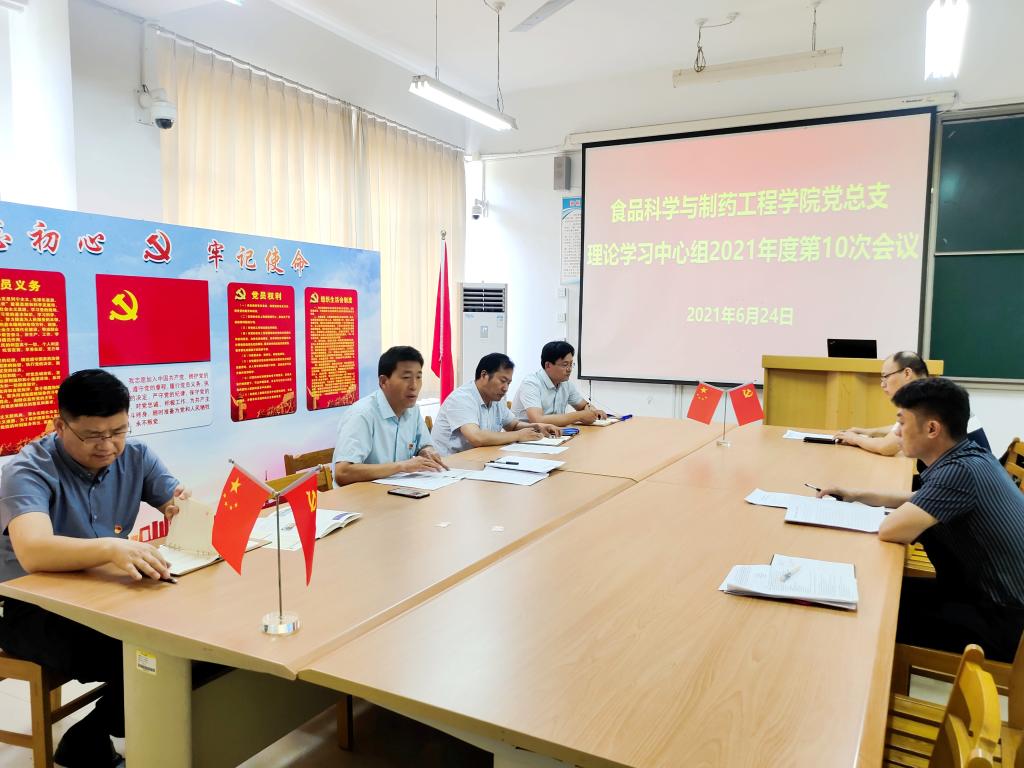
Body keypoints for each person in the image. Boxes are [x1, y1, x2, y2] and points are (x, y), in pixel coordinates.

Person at [0, 370, 189, 766]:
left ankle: (91, 733)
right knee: (150, 651)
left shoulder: (135, 455)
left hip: (102, 592)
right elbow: (33, 551)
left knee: (189, 632)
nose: (108, 446)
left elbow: (174, 499)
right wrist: (110, 548)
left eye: (118, 431)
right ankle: (98, 738)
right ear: (60, 426)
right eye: (92, 436)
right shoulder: (27, 469)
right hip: (30, 608)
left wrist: (180, 507)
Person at [819, 377, 1024, 662]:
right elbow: (919, 498)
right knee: (873, 593)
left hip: (998, 621)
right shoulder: (970, 456)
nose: (896, 433)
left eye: (902, 423)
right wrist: (856, 495)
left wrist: (868, 505)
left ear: (931, 429)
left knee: (868, 609)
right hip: (986, 601)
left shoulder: (958, 473)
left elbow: (890, 530)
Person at [333, 346, 448, 485]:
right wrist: (401, 466)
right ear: (383, 382)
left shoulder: (413, 410)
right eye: (406, 377)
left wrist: (427, 450)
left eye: (418, 377)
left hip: (397, 490)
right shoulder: (362, 414)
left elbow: (423, 445)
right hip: (360, 495)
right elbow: (343, 472)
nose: (414, 385)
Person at [430, 353, 561, 456]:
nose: (505, 388)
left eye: (508, 383)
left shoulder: (495, 398)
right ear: (484, 375)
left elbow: (513, 425)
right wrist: (518, 435)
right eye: (502, 381)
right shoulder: (462, 398)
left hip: (480, 459)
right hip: (451, 466)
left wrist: (537, 427)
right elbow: (476, 438)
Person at [834, 351, 929, 456]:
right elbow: (898, 428)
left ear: (907, 373)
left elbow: (885, 447)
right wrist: (867, 432)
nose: (882, 385)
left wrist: (854, 439)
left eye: (885, 376)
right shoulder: (926, 393)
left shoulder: (919, 403)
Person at [511, 340, 607, 427]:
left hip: (554, 434)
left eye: (571, 364)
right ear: (548, 365)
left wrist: (593, 411)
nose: (569, 369)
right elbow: (537, 420)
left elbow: (583, 406)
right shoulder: (531, 383)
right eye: (565, 365)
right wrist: (579, 416)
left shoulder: (565, 383)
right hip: (526, 436)